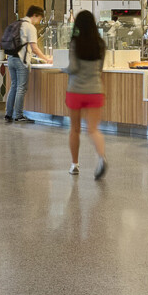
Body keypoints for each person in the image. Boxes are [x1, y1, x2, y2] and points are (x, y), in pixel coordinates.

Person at [64, 9, 108, 180]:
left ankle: (74, 164)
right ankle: (102, 157)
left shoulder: (75, 43)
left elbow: (73, 68)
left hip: (75, 90)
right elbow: (100, 68)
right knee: (93, 129)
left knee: (75, 129)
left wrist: (63, 70)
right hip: (95, 90)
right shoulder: (101, 44)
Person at [5, 5, 52, 124]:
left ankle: (8, 114)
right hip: (21, 61)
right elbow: (34, 48)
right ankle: (19, 115)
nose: (38, 22)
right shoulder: (30, 27)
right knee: (21, 88)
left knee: (14, 86)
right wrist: (46, 59)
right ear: (35, 15)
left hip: (10, 58)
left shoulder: (17, 23)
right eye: (39, 19)